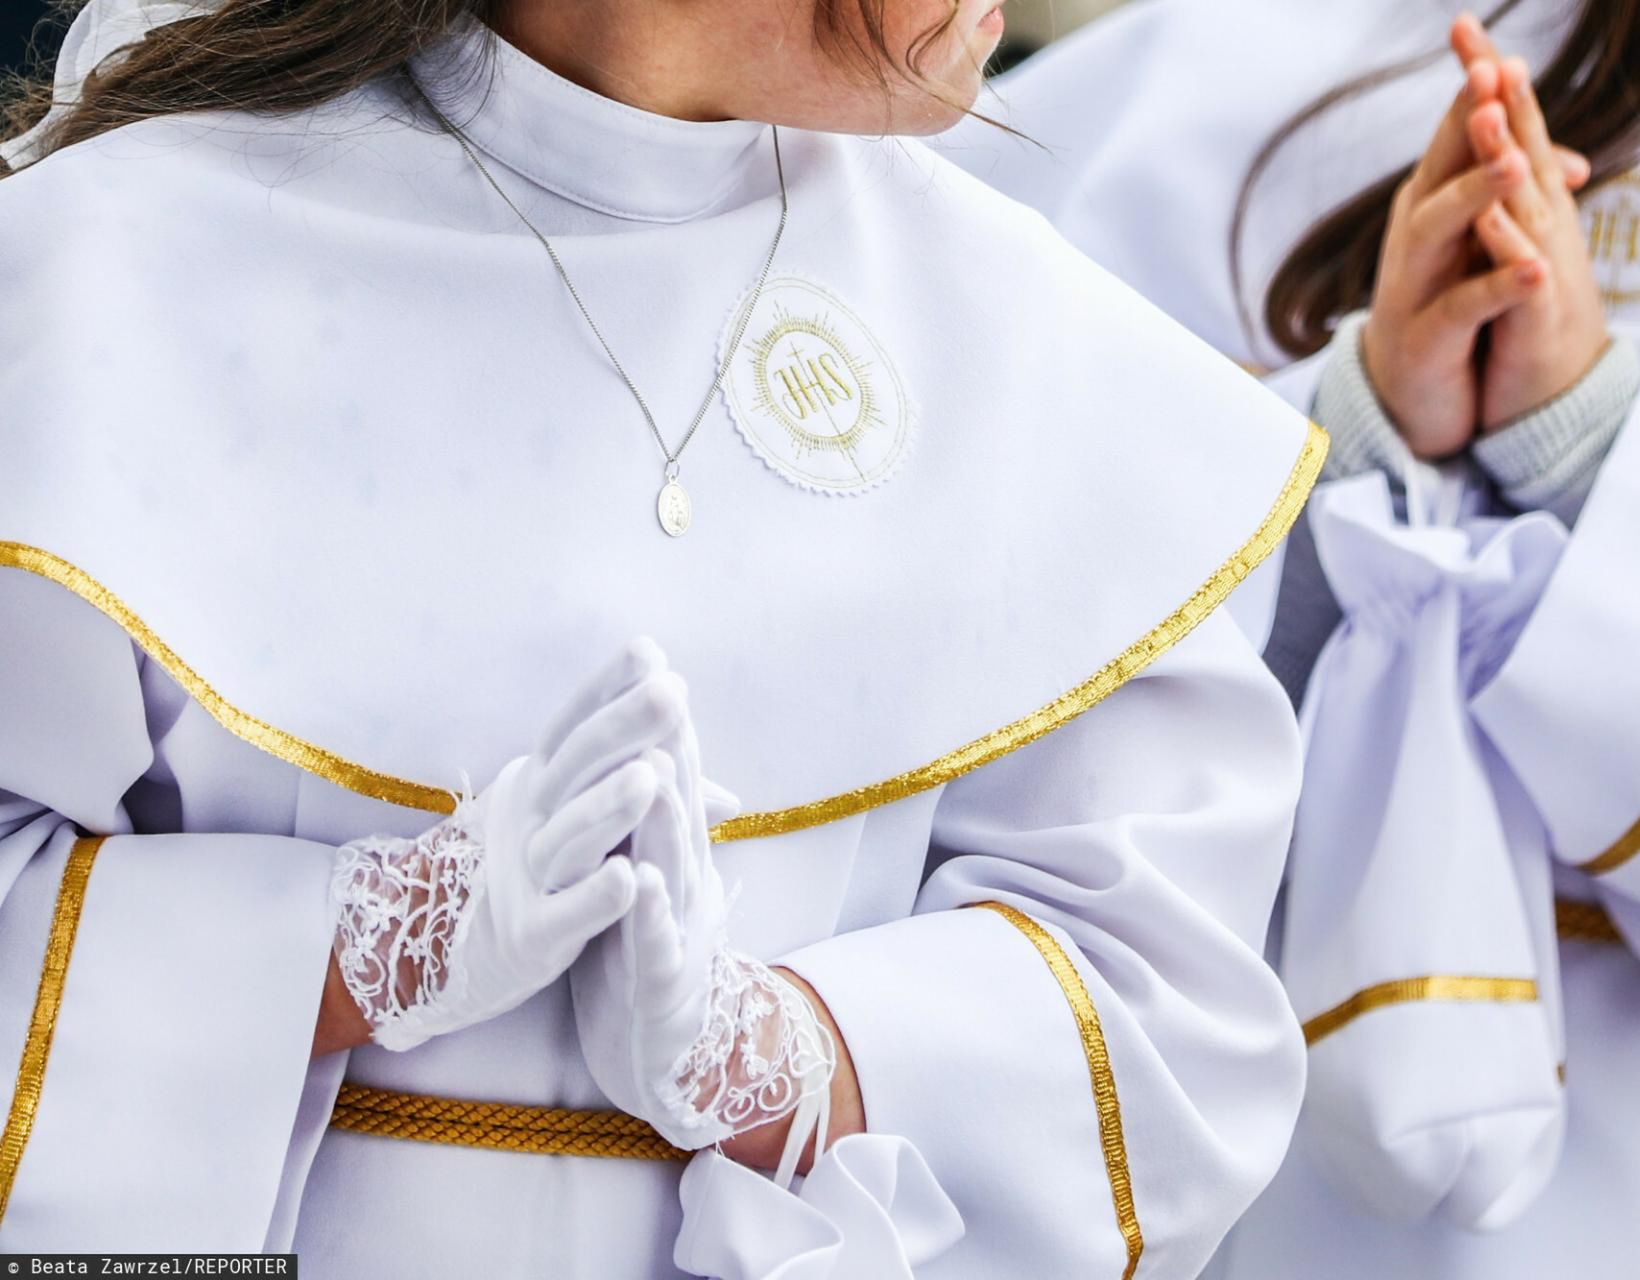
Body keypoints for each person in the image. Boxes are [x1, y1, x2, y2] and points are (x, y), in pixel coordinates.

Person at [0, 0, 1329, 1273]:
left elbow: (1166, 1022)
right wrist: (370, 945)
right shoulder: (123, 267)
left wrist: (779, 1059)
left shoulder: (1032, 351)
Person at [945, 0, 1640, 1276]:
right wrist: (1349, 444)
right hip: (1287, 1183)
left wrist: (1585, 433)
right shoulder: (1184, 84)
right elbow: (984, 711)